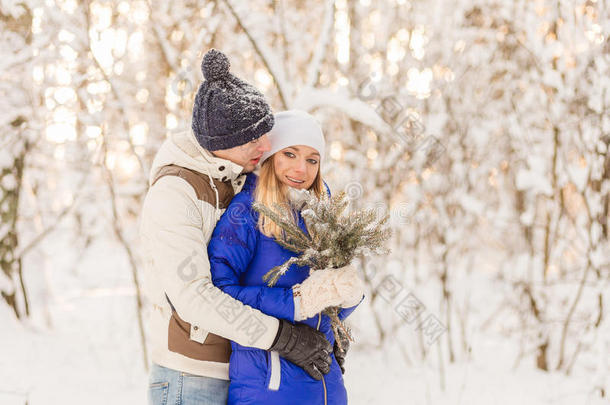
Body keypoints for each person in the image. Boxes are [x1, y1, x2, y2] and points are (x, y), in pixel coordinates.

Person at [139, 51, 333, 405]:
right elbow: (195, 297)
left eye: (266, 134)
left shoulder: (238, 180)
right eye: (252, 138)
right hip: (189, 377)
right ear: (221, 142)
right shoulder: (174, 194)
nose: (266, 146)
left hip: (234, 369)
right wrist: (284, 337)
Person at [208, 110, 366, 405]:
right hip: (268, 388)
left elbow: (325, 311)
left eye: (312, 160)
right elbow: (218, 296)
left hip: (325, 385)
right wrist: (295, 302)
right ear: (270, 157)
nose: (301, 169)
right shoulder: (246, 213)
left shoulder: (320, 214)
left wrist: (348, 297)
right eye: (290, 154)